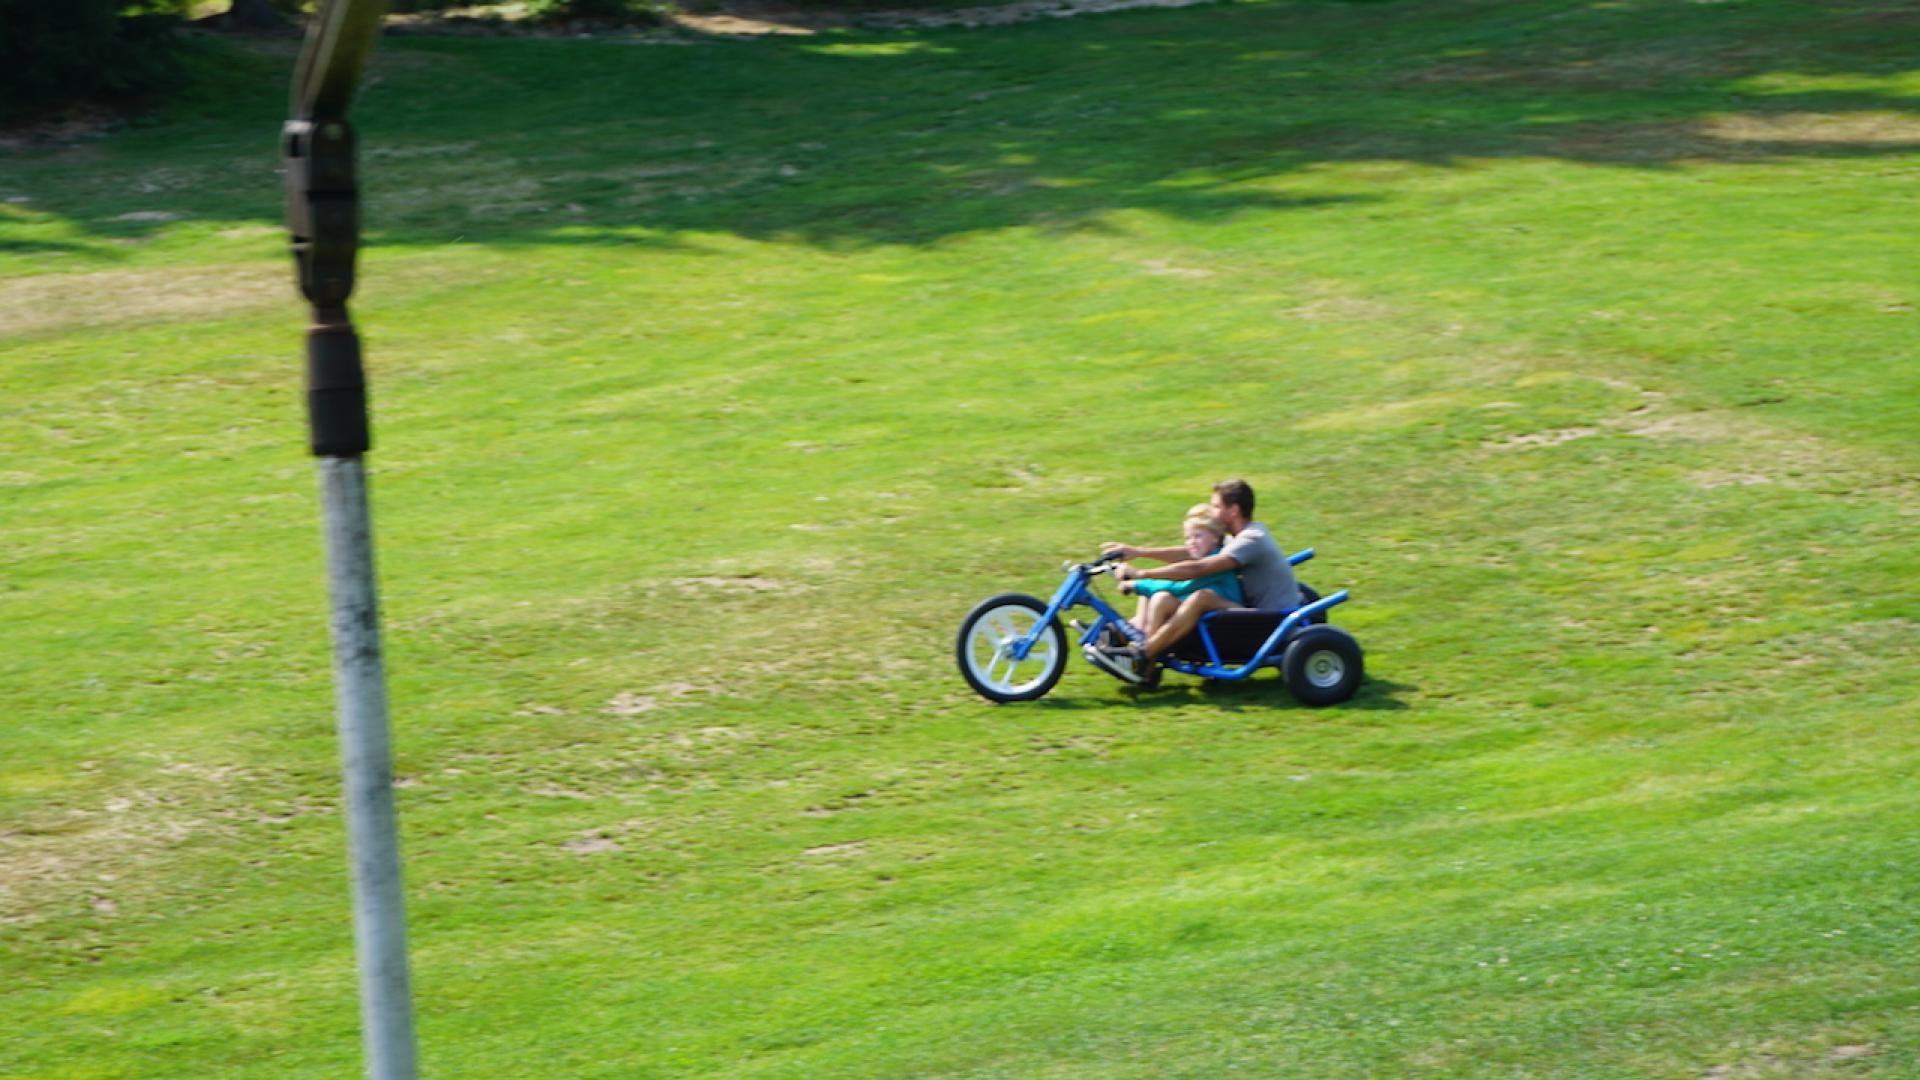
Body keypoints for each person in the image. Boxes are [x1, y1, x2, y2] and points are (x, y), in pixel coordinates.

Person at [1094, 478, 1300, 686]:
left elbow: (1199, 568)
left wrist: (1141, 574)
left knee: (1202, 597)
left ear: (1234, 511)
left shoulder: (1251, 539)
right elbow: (1190, 553)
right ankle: (1139, 651)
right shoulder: (1235, 538)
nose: (1212, 512)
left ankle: (1143, 654)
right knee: (1161, 596)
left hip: (1272, 622)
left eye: (1216, 506)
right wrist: (1139, 552)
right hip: (1254, 613)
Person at [1118, 504, 1243, 640]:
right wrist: (1140, 583)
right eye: (1188, 538)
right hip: (1205, 617)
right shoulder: (1207, 557)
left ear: (1215, 537)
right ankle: (1136, 634)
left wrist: (1136, 583)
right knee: (1148, 592)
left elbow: (1181, 585)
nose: (1191, 542)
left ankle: (1145, 646)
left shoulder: (1217, 562)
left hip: (1224, 624)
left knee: (1160, 599)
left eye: (1197, 536)